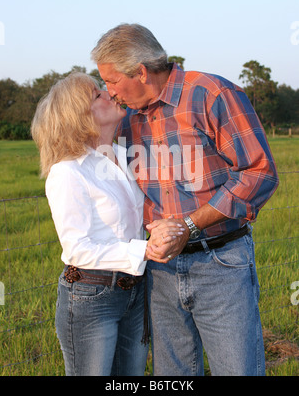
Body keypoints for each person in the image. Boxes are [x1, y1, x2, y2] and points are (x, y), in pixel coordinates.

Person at [91, 24, 280, 376]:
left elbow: (259, 173)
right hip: (160, 269)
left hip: (220, 261)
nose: (109, 91)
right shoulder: (129, 116)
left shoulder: (211, 93)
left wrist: (188, 226)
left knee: (237, 368)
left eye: (112, 80)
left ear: (141, 72)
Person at [31, 72, 182, 376]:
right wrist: (144, 249)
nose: (110, 94)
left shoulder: (124, 157)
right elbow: (77, 249)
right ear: (79, 116)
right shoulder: (68, 172)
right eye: (97, 95)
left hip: (135, 290)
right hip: (91, 297)